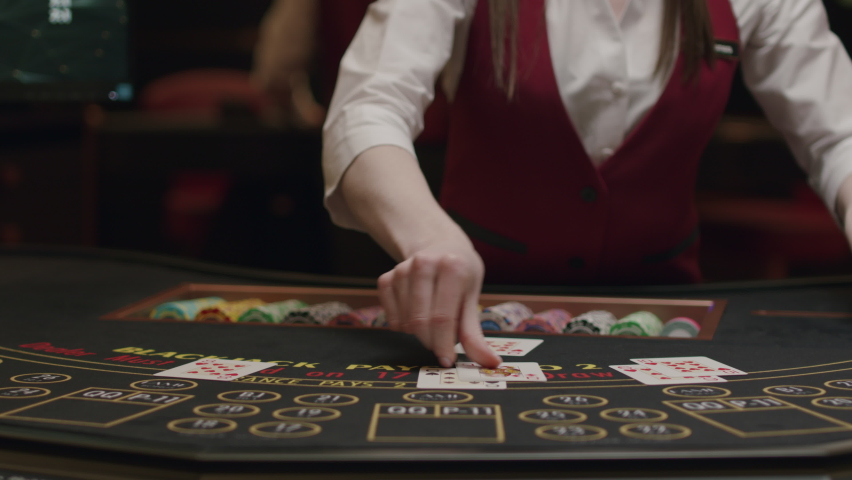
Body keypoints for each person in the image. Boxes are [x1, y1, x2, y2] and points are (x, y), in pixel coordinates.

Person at [322, 0, 852, 369]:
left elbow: (841, 135)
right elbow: (367, 109)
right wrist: (429, 236)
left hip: (668, 323)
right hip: (475, 325)